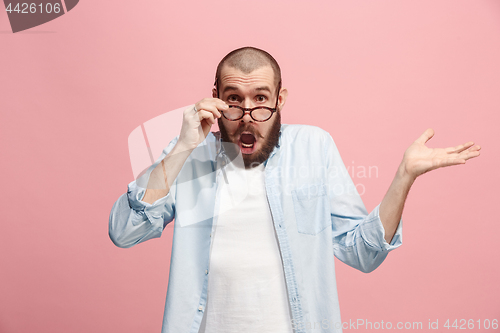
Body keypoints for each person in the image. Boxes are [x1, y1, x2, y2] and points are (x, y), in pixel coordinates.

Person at [108, 47, 481, 333]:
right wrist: (182, 147)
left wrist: (404, 176)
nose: (248, 112)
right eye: (234, 99)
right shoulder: (189, 152)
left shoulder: (313, 147)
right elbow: (124, 231)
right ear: (216, 98)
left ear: (280, 99)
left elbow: (363, 253)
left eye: (261, 99)